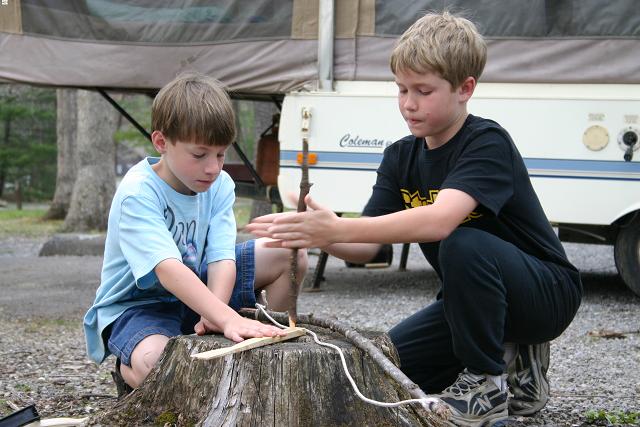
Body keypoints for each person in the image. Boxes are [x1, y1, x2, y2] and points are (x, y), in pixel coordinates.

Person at [246, 11, 582, 426]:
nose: (409, 103)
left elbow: (441, 221)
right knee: (382, 370)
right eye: (402, 89)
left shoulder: (486, 142)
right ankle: (510, 358)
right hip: (467, 304)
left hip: (545, 294)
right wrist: (317, 233)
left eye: (424, 91)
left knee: (463, 240)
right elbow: (368, 247)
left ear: (465, 88)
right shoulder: (401, 157)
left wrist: (338, 227)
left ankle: (487, 385)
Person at [84, 73, 307, 391]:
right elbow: (167, 270)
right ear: (161, 142)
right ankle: (127, 367)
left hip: (199, 290)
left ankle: (271, 344)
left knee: (288, 252)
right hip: (140, 305)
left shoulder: (219, 185)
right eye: (199, 155)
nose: (213, 167)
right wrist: (226, 317)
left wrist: (216, 313)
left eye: (221, 154)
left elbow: (221, 257)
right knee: (156, 363)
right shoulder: (138, 192)